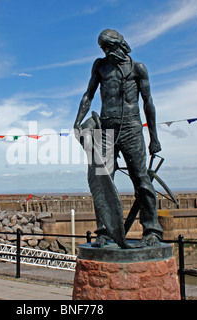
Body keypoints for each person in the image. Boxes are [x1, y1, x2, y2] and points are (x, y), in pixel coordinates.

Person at [74, 29, 163, 247]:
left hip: (132, 128)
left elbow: (148, 103)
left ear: (120, 45)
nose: (106, 52)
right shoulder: (100, 65)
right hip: (105, 129)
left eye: (108, 47)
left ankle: (152, 230)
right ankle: (104, 232)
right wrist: (78, 122)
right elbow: (89, 94)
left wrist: (154, 137)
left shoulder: (137, 68)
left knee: (141, 180)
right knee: (101, 180)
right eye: (103, 49)